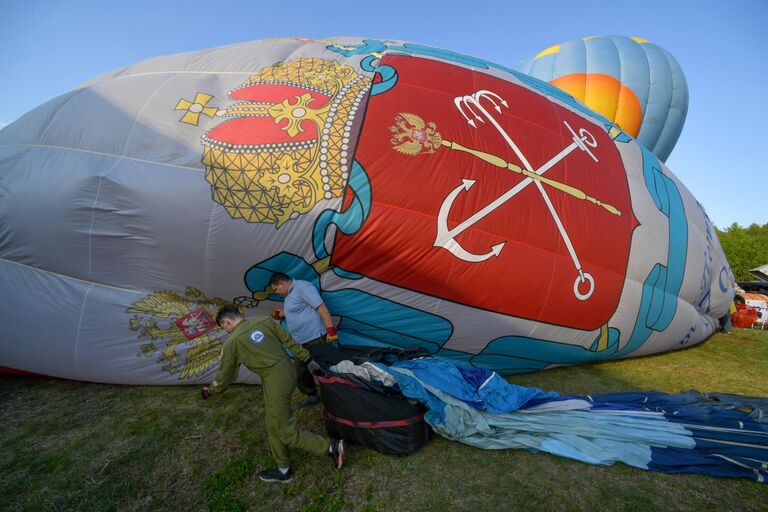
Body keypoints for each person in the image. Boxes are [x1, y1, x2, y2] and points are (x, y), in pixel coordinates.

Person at [200, 304, 345, 484]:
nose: (226, 331)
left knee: (285, 429)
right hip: (287, 370)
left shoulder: (233, 342)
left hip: (275, 380)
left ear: (226, 322)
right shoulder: (266, 321)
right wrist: (307, 358)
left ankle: (330, 448)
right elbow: (289, 341)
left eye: (224, 327)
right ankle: (283, 469)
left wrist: (211, 391)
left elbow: (225, 375)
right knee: (272, 422)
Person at [269, 272, 339, 408]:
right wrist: (281, 314)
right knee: (300, 371)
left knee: (325, 368)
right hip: (300, 342)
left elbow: (321, 307)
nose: (277, 292)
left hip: (315, 337)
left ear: (281, 284)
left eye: (276, 289)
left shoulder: (302, 287)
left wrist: (330, 330)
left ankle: (337, 396)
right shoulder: (289, 294)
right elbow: (298, 308)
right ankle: (312, 396)